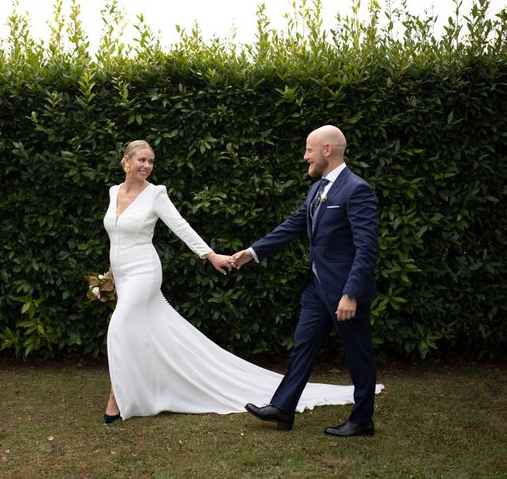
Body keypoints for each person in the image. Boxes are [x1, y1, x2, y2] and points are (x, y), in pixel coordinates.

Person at [101, 139, 370, 424]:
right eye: (142, 160)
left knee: (119, 328)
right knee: (137, 334)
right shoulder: (113, 192)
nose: (147, 166)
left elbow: (181, 225)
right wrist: (111, 272)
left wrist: (211, 255)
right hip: (122, 274)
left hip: (145, 272)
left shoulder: (155, 194)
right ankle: (281, 406)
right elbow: (117, 235)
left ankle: (116, 398)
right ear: (126, 161)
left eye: (151, 161)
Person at [233, 125, 381, 436]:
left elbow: (367, 248)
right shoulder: (317, 188)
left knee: (359, 355)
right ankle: (283, 409)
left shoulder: (357, 190)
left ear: (327, 150)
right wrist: (253, 252)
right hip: (316, 289)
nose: (305, 157)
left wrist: (351, 293)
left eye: (309, 150)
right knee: (302, 347)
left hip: (343, 292)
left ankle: (362, 419)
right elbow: (294, 225)